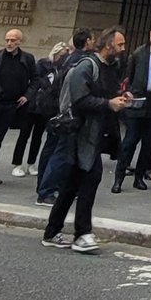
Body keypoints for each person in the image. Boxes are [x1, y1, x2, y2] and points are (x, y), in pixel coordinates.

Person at [42, 25, 132, 254]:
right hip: (80, 133)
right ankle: (82, 234)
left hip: (94, 132)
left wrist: (121, 98)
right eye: (120, 44)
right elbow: (80, 100)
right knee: (90, 180)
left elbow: (106, 95)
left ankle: (52, 232)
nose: (123, 49)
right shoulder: (86, 66)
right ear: (108, 44)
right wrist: (108, 104)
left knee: (72, 184)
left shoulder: (112, 67)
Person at [115, 25, 151, 194]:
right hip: (138, 101)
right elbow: (129, 76)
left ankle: (139, 177)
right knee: (130, 141)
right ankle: (119, 177)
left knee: (148, 145)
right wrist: (131, 91)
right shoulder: (139, 53)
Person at [36, 30, 92, 206]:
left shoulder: (69, 58)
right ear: (87, 41)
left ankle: (49, 187)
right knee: (60, 153)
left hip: (57, 110)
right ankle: (46, 192)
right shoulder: (80, 62)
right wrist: (65, 112)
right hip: (64, 112)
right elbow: (69, 89)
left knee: (54, 150)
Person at [0, 29, 33, 185]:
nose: (9, 43)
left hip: (12, 104)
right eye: (7, 40)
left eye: (13, 40)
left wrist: (27, 95)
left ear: (20, 42)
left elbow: (36, 79)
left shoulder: (27, 59)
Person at [14, 40, 67, 178]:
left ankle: (31, 163)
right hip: (33, 105)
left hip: (47, 108)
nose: (62, 58)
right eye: (60, 55)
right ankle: (17, 163)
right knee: (24, 135)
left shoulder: (62, 69)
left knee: (37, 136)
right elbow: (36, 81)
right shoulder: (43, 64)